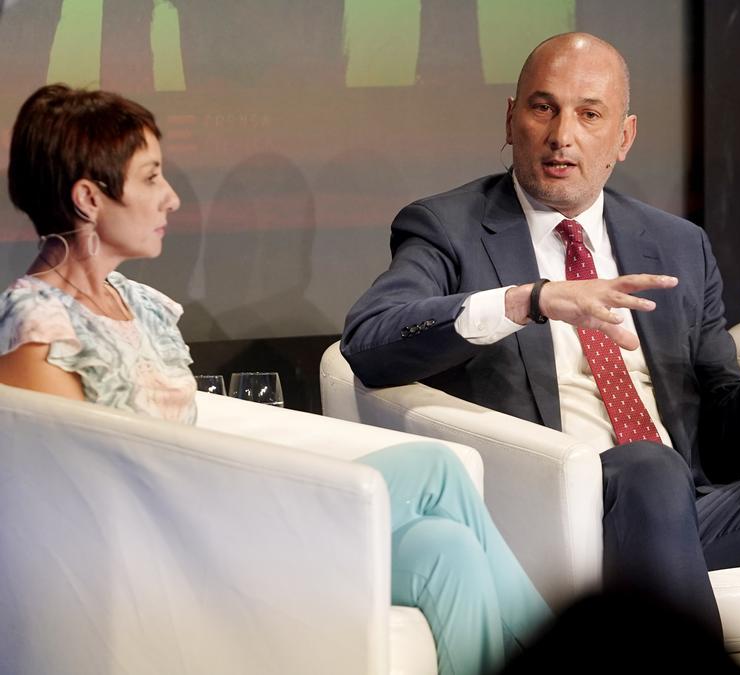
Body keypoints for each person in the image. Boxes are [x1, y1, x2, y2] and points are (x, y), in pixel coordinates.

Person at [342, 32, 740, 673]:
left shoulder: (675, 245)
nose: (562, 136)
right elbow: (371, 342)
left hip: (686, 505)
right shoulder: (450, 227)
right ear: (511, 119)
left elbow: (723, 446)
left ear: (623, 138)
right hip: (560, 502)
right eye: (544, 108)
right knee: (650, 468)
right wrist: (529, 300)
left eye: (589, 114)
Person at [0, 84, 550, 675]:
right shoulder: (39, 334)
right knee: (441, 521)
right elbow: (76, 520)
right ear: (88, 197)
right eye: (151, 178)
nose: (172, 199)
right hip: (190, 552)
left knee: (448, 538)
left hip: (223, 514)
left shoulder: (134, 300)